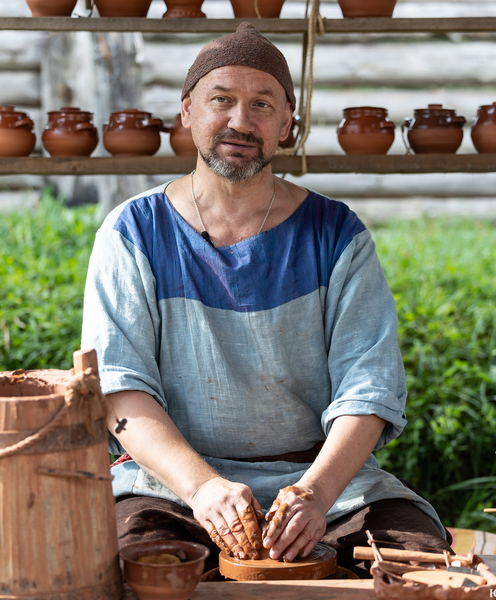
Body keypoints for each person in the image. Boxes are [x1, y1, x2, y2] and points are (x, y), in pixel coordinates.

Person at [81, 22, 451, 576]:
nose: (240, 120)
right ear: (187, 112)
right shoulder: (133, 231)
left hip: (326, 487)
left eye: (262, 105)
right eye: (221, 100)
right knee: (135, 563)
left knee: (417, 564)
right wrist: (203, 487)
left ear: (286, 126)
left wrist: (315, 497)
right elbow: (117, 388)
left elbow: (368, 389)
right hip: (170, 488)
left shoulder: (336, 234)